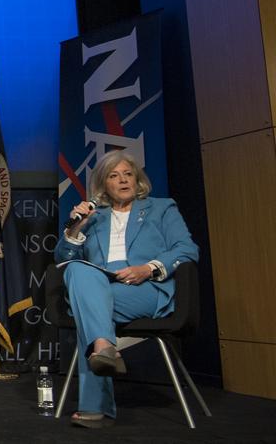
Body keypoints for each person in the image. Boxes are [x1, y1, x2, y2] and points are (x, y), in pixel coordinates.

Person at [58, 150, 199, 428]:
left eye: (128, 174)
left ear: (137, 179)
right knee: (77, 270)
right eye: (114, 175)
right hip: (100, 285)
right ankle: (104, 347)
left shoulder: (162, 208)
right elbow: (63, 260)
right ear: (103, 185)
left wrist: (148, 268)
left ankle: (96, 403)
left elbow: (186, 249)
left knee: (90, 310)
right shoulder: (94, 217)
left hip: (146, 287)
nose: (123, 180)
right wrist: (76, 230)